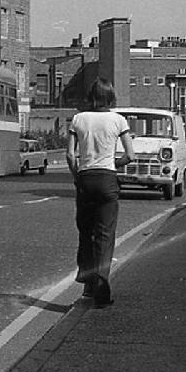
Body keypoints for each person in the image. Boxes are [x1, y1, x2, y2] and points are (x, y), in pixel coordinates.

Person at [66, 77, 135, 308]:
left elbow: (70, 155)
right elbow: (130, 155)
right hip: (107, 179)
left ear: (92, 97)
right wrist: (114, 165)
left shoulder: (78, 119)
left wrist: (77, 177)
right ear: (110, 97)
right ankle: (102, 290)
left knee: (86, 232)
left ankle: (87, 282)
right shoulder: (118, 120)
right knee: (105, 236)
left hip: (85, 178)